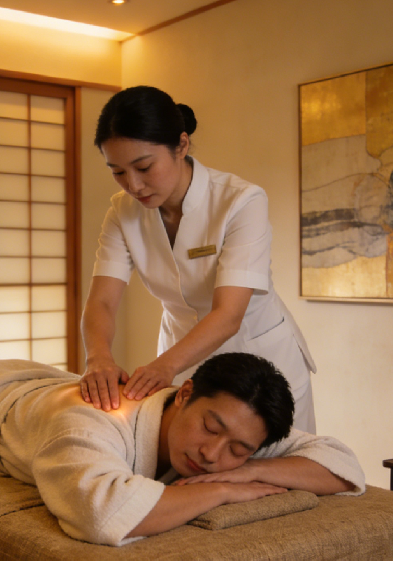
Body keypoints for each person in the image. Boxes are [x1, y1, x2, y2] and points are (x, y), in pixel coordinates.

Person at [0, 353, 363, 548]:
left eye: (239, 449)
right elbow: (102, 513)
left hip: (43, 387)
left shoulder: (242, 430)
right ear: (185, 393)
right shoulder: (93, 422)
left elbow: (341, 465)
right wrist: (224, 488)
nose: (211, 453)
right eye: (210, 426)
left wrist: (247, 474)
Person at [81, 85, 317, 433]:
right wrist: (98, 357)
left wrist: (164, 366)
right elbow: (102, 300)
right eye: (117, 172)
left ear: (181, 145)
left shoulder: (241, 201)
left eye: (144, 167)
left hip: (258, 357)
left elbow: (228, 314)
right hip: (181, 358)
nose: (132, 185)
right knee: (192, 460)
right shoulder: (122, 213)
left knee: (276, 469)